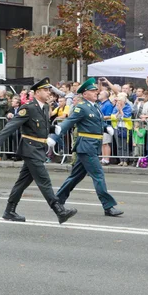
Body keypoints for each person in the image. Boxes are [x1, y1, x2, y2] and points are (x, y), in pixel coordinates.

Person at [0, 77, 78, 224]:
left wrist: (51, 128)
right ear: (37, 92)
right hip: (30, 148)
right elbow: (13, 125)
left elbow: (39, 126)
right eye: (45, 90)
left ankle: (9, 211)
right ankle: (59, 210)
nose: (48, 92)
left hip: (38, 149)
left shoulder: (44, 107)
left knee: (22, 182)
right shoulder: (28, 108)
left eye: (49, 90)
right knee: (44, 180)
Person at [51, 77, 123, 217]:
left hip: (92, 145)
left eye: (96, 90)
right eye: (92, 90)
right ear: (85, 94)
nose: (96, 92)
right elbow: (68, 122)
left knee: (75, 176)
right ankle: (108, 206)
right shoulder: (81, 107)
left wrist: (105, 127)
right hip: (86, 146)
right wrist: (54, 136)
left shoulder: (95, 106)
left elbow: (97, 122)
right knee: (98, 175)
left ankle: (57, 200)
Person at [108, 93, 132, 166]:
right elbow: (112, 117)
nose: (118, 102)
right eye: (118, 101)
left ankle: (125, 160)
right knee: (119, 145)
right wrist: (118, 111)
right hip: (117, 127)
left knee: (125, 145)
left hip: (125, 128)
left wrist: (121, 110)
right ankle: (121, 160)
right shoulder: (115, 107)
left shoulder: (128, 107)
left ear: (123, 101)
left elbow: (126, 117)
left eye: (120, 101)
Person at [98, 90, 114, 165]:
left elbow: (109, 116)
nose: (99, 94)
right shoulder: (100, 103)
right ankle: (103, 158)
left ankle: (107, 159)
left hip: (106, 125)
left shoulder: (108, 104)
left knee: (106, 143)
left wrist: (100, 117)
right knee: (103, 143)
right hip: (100, 126)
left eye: (101, 93)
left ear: (105, 95)